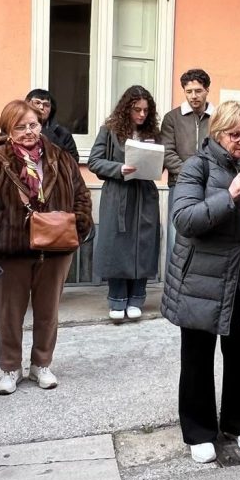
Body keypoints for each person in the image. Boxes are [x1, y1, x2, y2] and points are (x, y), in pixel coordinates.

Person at [161, 100, 240, 464]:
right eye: (235, 134)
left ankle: (238, 422)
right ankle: (199, 431)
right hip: (200, 281)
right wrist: (228, 196)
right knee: (198, 358)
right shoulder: (195, 168)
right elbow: (184, 220)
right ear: (218, 134)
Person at [0, 100, 92, 395]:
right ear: (8, 130)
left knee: (48, 311)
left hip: (55, 247)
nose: (29, 132)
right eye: (20, 126)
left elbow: (81, 193)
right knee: (9, 313)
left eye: (33, 125)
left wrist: (79, 224)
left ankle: (41, 364)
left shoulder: (59, 156)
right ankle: (10, 367)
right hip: (13, 247)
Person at [89, 85, 161, 321]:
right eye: (136, 109)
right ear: (126, 109)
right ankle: (118, 300)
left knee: (143, 244)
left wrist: (157, 165)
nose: (141, 115)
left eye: (145, 110)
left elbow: (161, 161)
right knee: (117, 246)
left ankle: (137, 299)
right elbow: (95, 161)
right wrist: (118, 168)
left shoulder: (154, 132)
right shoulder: (109, 130)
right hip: (118, 193)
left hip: (144, 194)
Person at [160, 68, 215, 271]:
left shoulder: (217, 117)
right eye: (189, 91)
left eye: (198, 91)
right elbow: (167, 152)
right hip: (179, 185)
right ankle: (173, 281)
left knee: (207, 237)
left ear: (207, 90)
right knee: (178, 235)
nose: (194, 96)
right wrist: (191, 175)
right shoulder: (172, 118)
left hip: (212, 185)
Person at [25, 89, 79, 162]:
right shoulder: (15, 128)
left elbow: (73, 163)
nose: (41, 107)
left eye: (46, 105)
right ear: (26, 104)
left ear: (51, 110)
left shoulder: (61, 133)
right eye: (37, 103)